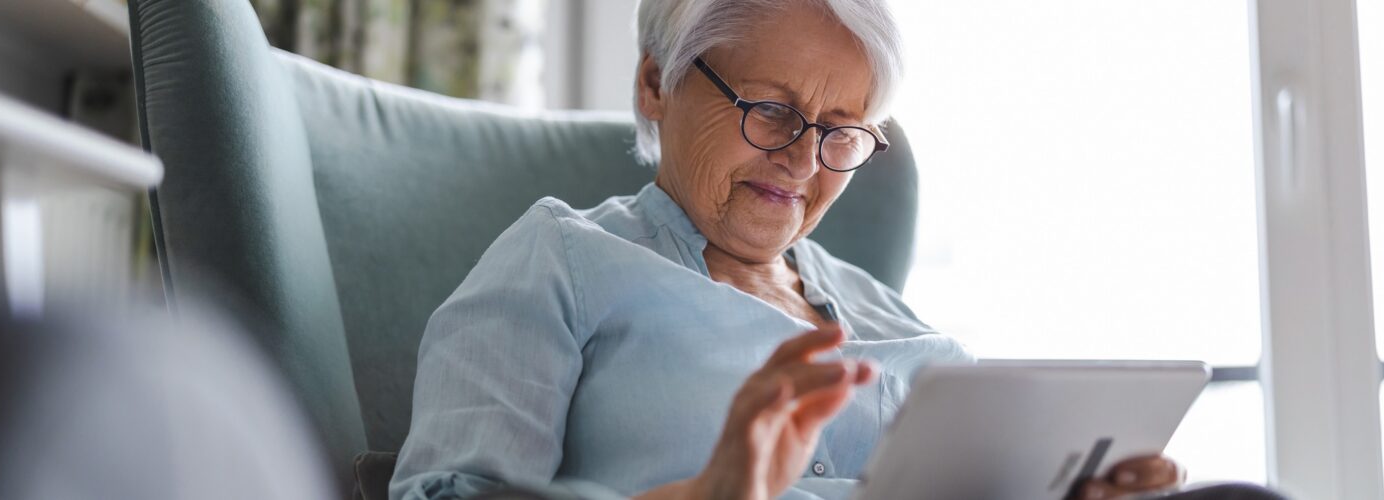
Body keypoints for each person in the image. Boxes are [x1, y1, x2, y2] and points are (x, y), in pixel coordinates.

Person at [391, 1, 1286, 499]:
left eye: (843, 131)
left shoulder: (895, 320)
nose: (801, 158)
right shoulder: (562, 260)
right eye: (771, 109)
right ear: (657, 84)